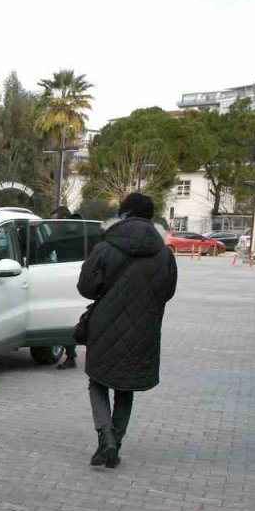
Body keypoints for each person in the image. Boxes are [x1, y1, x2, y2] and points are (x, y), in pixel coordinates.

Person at [77, 192, 177, 468]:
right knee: (126, 387)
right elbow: (167, 292)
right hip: (144, 329)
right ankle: (115, 443)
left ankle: (105, 436)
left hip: (104, 327)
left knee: (97, 380)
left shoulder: (105, 246)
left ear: (124, 214)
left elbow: (86, 287)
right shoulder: (164, 254)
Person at [49, 205, 79, 369]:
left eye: (55, 222)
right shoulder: (76, 230)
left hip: (74, 278)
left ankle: (71, 355)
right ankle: (70, 354)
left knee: (69, 318)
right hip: (69, 276)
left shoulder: (66, 234)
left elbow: (46, 248)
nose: (53, 225)